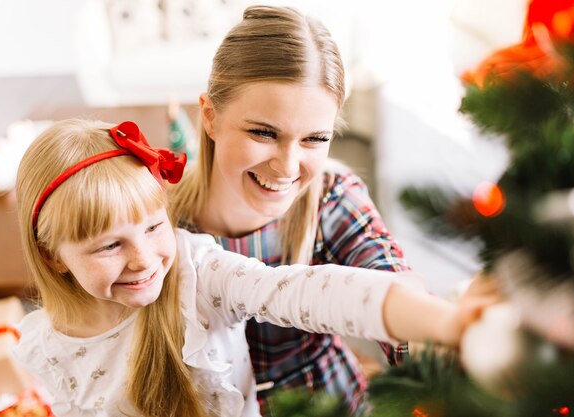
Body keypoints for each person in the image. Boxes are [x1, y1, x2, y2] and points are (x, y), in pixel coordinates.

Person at [12, 118, 495, 417]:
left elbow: (306, 293)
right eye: (110, 245)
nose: (143, 259)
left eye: (154, 227)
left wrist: (446, 322)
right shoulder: (42, 345)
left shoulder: (198, 273)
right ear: (53, 255)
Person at [167, 5, 409, 415]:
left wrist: (437, 336)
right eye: (263, 132)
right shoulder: (160, 223)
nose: (289, 167)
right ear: (210, 116)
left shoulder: (333, 196)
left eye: (315, 138)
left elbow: (390, 282)